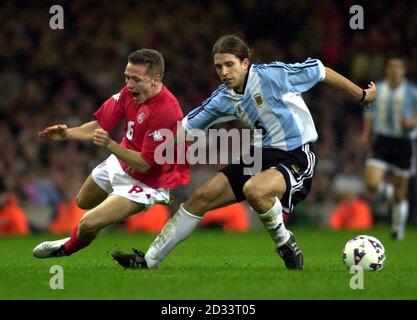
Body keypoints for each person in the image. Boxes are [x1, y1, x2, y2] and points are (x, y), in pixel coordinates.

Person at [111, 34, 377, 270]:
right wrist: (148, 152)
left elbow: (320, 70)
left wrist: (361, 95)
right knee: (198, 199)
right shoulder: (222, 98)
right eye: (218, 66)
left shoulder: (272, 76)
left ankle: (285, 242)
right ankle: (149, 261)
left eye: (230, 64)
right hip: (259, 155)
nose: (224, 72)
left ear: (245, 63)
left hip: (296, 153)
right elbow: (184, 131)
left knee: (255, 190)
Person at [33, 49, 189, 258]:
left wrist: (111, 145)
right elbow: (100, 124)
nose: (129, 84)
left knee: (88, 223)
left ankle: (66, 248)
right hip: (122, 161)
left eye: (136, 79)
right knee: (82, 202)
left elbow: (145, 164)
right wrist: (68, 133)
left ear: (155, 80)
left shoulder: (166, 111)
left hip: (148, 181)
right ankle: (81, 232)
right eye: (127, 77)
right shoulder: (128, 93)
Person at [360, 55, 417, 240]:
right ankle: (388, 192)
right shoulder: (379, 88)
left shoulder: (411, 91)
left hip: (404, 142)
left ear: (403, 70)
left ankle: (397, 228)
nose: (394, 70)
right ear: (387, 69)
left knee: (402, 193)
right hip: (382, 140)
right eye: (391, 66)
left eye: (398, 67)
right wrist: (366, 134)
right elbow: (369, 112)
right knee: (371, 183)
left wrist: (411, 122)